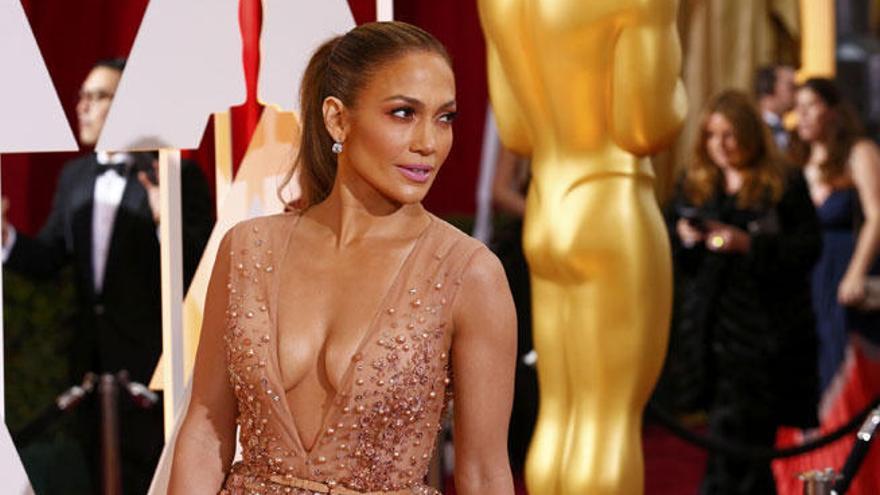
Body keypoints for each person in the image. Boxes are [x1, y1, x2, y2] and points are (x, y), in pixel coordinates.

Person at [169, 22, 516, 495]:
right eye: (403, 113)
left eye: (444, 118)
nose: (429, 143)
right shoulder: (247, 250)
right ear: (337, 119)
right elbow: (206, 435)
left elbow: (483, 473)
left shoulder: (469, 274)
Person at [1, 58, 213, 494]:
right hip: (88, 371)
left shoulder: (173, 174)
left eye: (99, 97)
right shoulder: (74, 177)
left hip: (156, 368)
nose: (84, 107)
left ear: (129, 105)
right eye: (83, 96)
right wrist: (6, 238)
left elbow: (203, 268)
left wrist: (164, 223)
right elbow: (49, 258)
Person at [665, 90, 820, 494]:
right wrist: (685, 237)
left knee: (743, 447)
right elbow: (677, 257)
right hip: (708, 332)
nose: (721, 146)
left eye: (730, 135)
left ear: (749, 134)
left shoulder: (782, 182)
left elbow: (808, 248)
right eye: (712, 136)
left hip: (764, 335)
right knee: (726, 441)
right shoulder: (697, 183)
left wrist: (747, 244)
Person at [772, 78, 880, 493]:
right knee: (804, 377)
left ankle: (850, 483)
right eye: (797, 106)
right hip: (803, 284)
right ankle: (803, 484)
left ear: (833, 110)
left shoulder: (859, 153)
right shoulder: (794, 163)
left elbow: (876, 216)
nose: (803, 115)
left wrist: (856, 272)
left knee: (846, 387)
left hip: (841, 280)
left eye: (812, 104)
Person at [755, 65, 797, 152]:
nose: (797, 93)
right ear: (769, 88)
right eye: (791, 87)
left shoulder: (793, 134)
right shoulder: (755, 131)